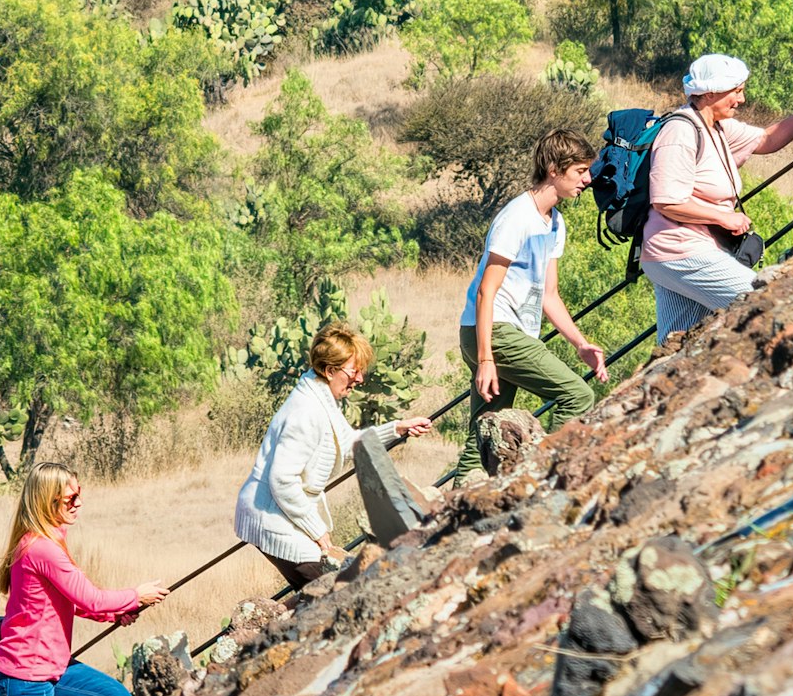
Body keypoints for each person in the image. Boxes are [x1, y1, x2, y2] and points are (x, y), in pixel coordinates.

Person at [640, 57, 793, 343]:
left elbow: (766, 139)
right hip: (681, 251)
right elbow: (667, 201)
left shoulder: (718, 127)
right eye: (736, 91)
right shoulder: (681, 131)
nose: (742, 99)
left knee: (680, 343)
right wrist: (724, 217)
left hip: (678, 254)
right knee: (766, 303)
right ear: (710, 93)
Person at [448, 131, 608, 476]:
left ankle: (453, 508)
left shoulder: (555, 223)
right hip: (494, 331)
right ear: (553, 168)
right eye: (580, 171)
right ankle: (545, 477)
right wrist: (486, 358)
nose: (588, 179)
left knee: (483, 433)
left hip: (505, 333)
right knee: (576, 396)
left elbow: (550, 295)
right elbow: (485, 291)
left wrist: (580, 344)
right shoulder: (516, 217)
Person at [236, 319, 438, 589]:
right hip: (271, 515)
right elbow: (282, 481)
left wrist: (398, 428)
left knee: (326, 589)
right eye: (354, 371)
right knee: (335, 589)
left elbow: (348, 440)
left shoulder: (321, 396)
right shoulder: (306, 411)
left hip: (283, 512)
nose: (360, 379)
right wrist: (317, 531)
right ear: (330, 371)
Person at [0, 467, 161, 696]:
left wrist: (112, 614)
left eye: (79, 494)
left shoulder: (45, 542)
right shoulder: (43, 548)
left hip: (50, 666)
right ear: (47, 500)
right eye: (70, 498)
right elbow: (92, 599)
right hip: (26, 676)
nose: (79, 503)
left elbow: (70, 601)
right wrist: (136, 596)